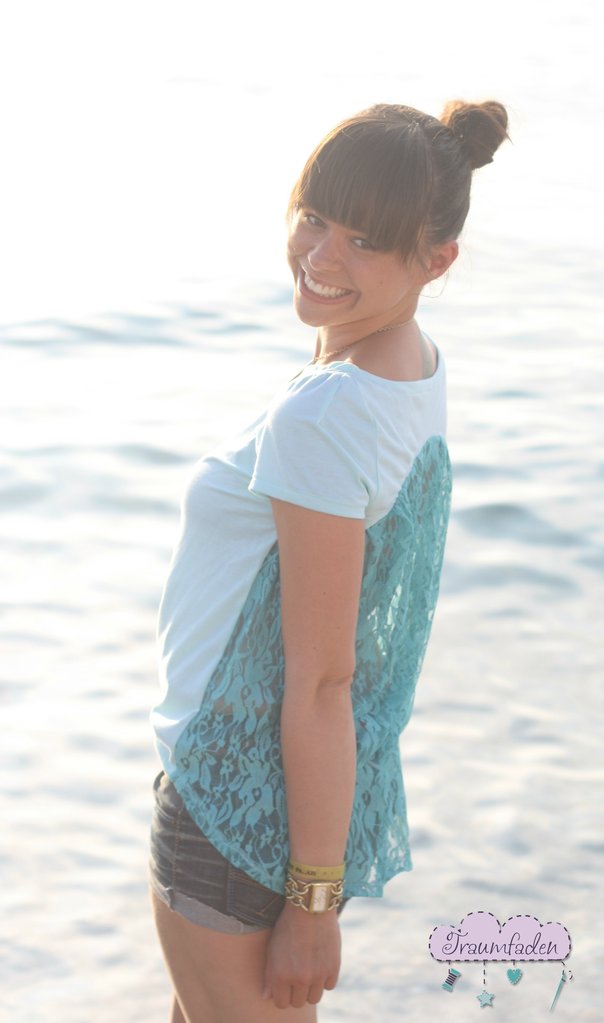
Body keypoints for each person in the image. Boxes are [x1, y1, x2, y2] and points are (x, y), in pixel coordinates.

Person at [148, 99, 509, 1022]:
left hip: (237, 809)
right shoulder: (409, 365)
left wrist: (313, 901)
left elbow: (323, 679)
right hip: (285, 797)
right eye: (314, 216)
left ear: (437, 261)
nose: (321, 255)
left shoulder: (329, 414)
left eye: (364, 241)